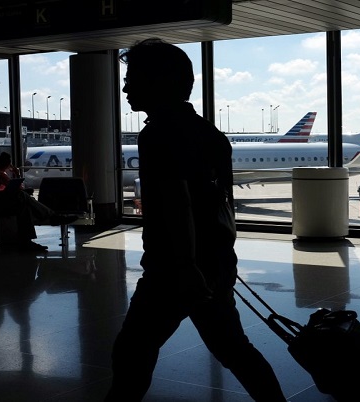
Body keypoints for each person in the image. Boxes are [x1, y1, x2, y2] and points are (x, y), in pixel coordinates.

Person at [105, 38, 286, 401]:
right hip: (213, 264)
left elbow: (177, 201)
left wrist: (186, 266)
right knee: (235, 350)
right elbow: (220, 204)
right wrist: (221, 260)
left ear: (160, 82)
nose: (124, 87)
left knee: (132, 352)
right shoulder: (210, 134)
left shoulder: (158, 134)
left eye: (133, 77)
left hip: (175, 269)